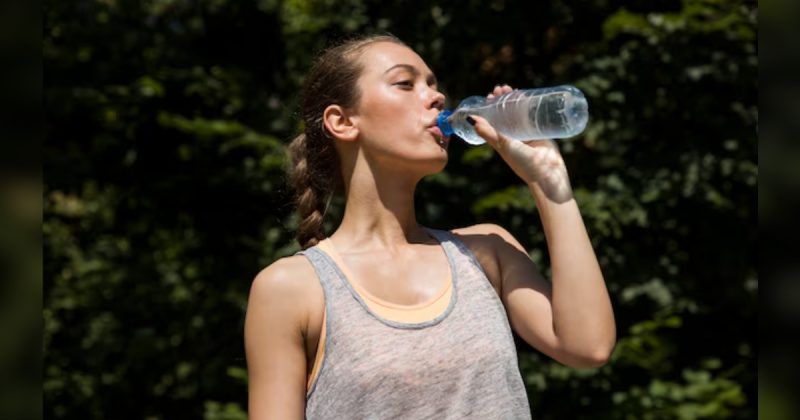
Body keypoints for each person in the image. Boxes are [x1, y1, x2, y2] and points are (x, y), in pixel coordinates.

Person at [244, 34, 616, 419]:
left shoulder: (487, 251)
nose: (436, 97)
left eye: (433, 84)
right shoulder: (292, 289)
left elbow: (588, 346)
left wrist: (549, 182)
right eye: (405, 84)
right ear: (342, 121)